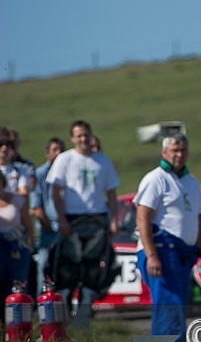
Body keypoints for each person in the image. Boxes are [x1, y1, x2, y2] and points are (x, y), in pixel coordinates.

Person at [135, 132, 201, 342]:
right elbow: (142, 218)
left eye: (183, 151)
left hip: (181, 254)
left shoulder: (191, 181)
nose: (179, 155)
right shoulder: (156, 179)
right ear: (164, 152)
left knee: (178, 305)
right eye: (174, 151)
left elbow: (196, 219)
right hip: (161, 251)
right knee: (168, 304)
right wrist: (151, 255)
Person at [47, 120, 119, 328]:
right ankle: (64, 319)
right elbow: (55, 191)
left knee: (92, 267)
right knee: (67, 268)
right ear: (72, 138)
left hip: (97, 219)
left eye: (86, 135)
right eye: (78, 136)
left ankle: (83, 317)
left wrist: (114, 219)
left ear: (91, 136)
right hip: (72, 219)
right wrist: (61, 219)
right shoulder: (65, 159)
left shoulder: (103, 161)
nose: (83, 139)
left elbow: (112, 193)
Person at [29, 137, 65, 295]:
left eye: (61, 150)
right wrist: (48, 225)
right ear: (47, 153)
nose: (59, 154)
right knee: (43, 266)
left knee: (66, 268)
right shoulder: (40, 174)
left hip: (67, 227)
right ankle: (41, 302)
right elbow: (36, 206)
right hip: (47, 229)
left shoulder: (68, 171)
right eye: (55, 150)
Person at [0, 172, 35, 315]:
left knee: (18, 285)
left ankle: (19, 326)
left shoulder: (16, 200)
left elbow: (28, 224)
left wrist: (30, 242)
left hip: (17, 248)